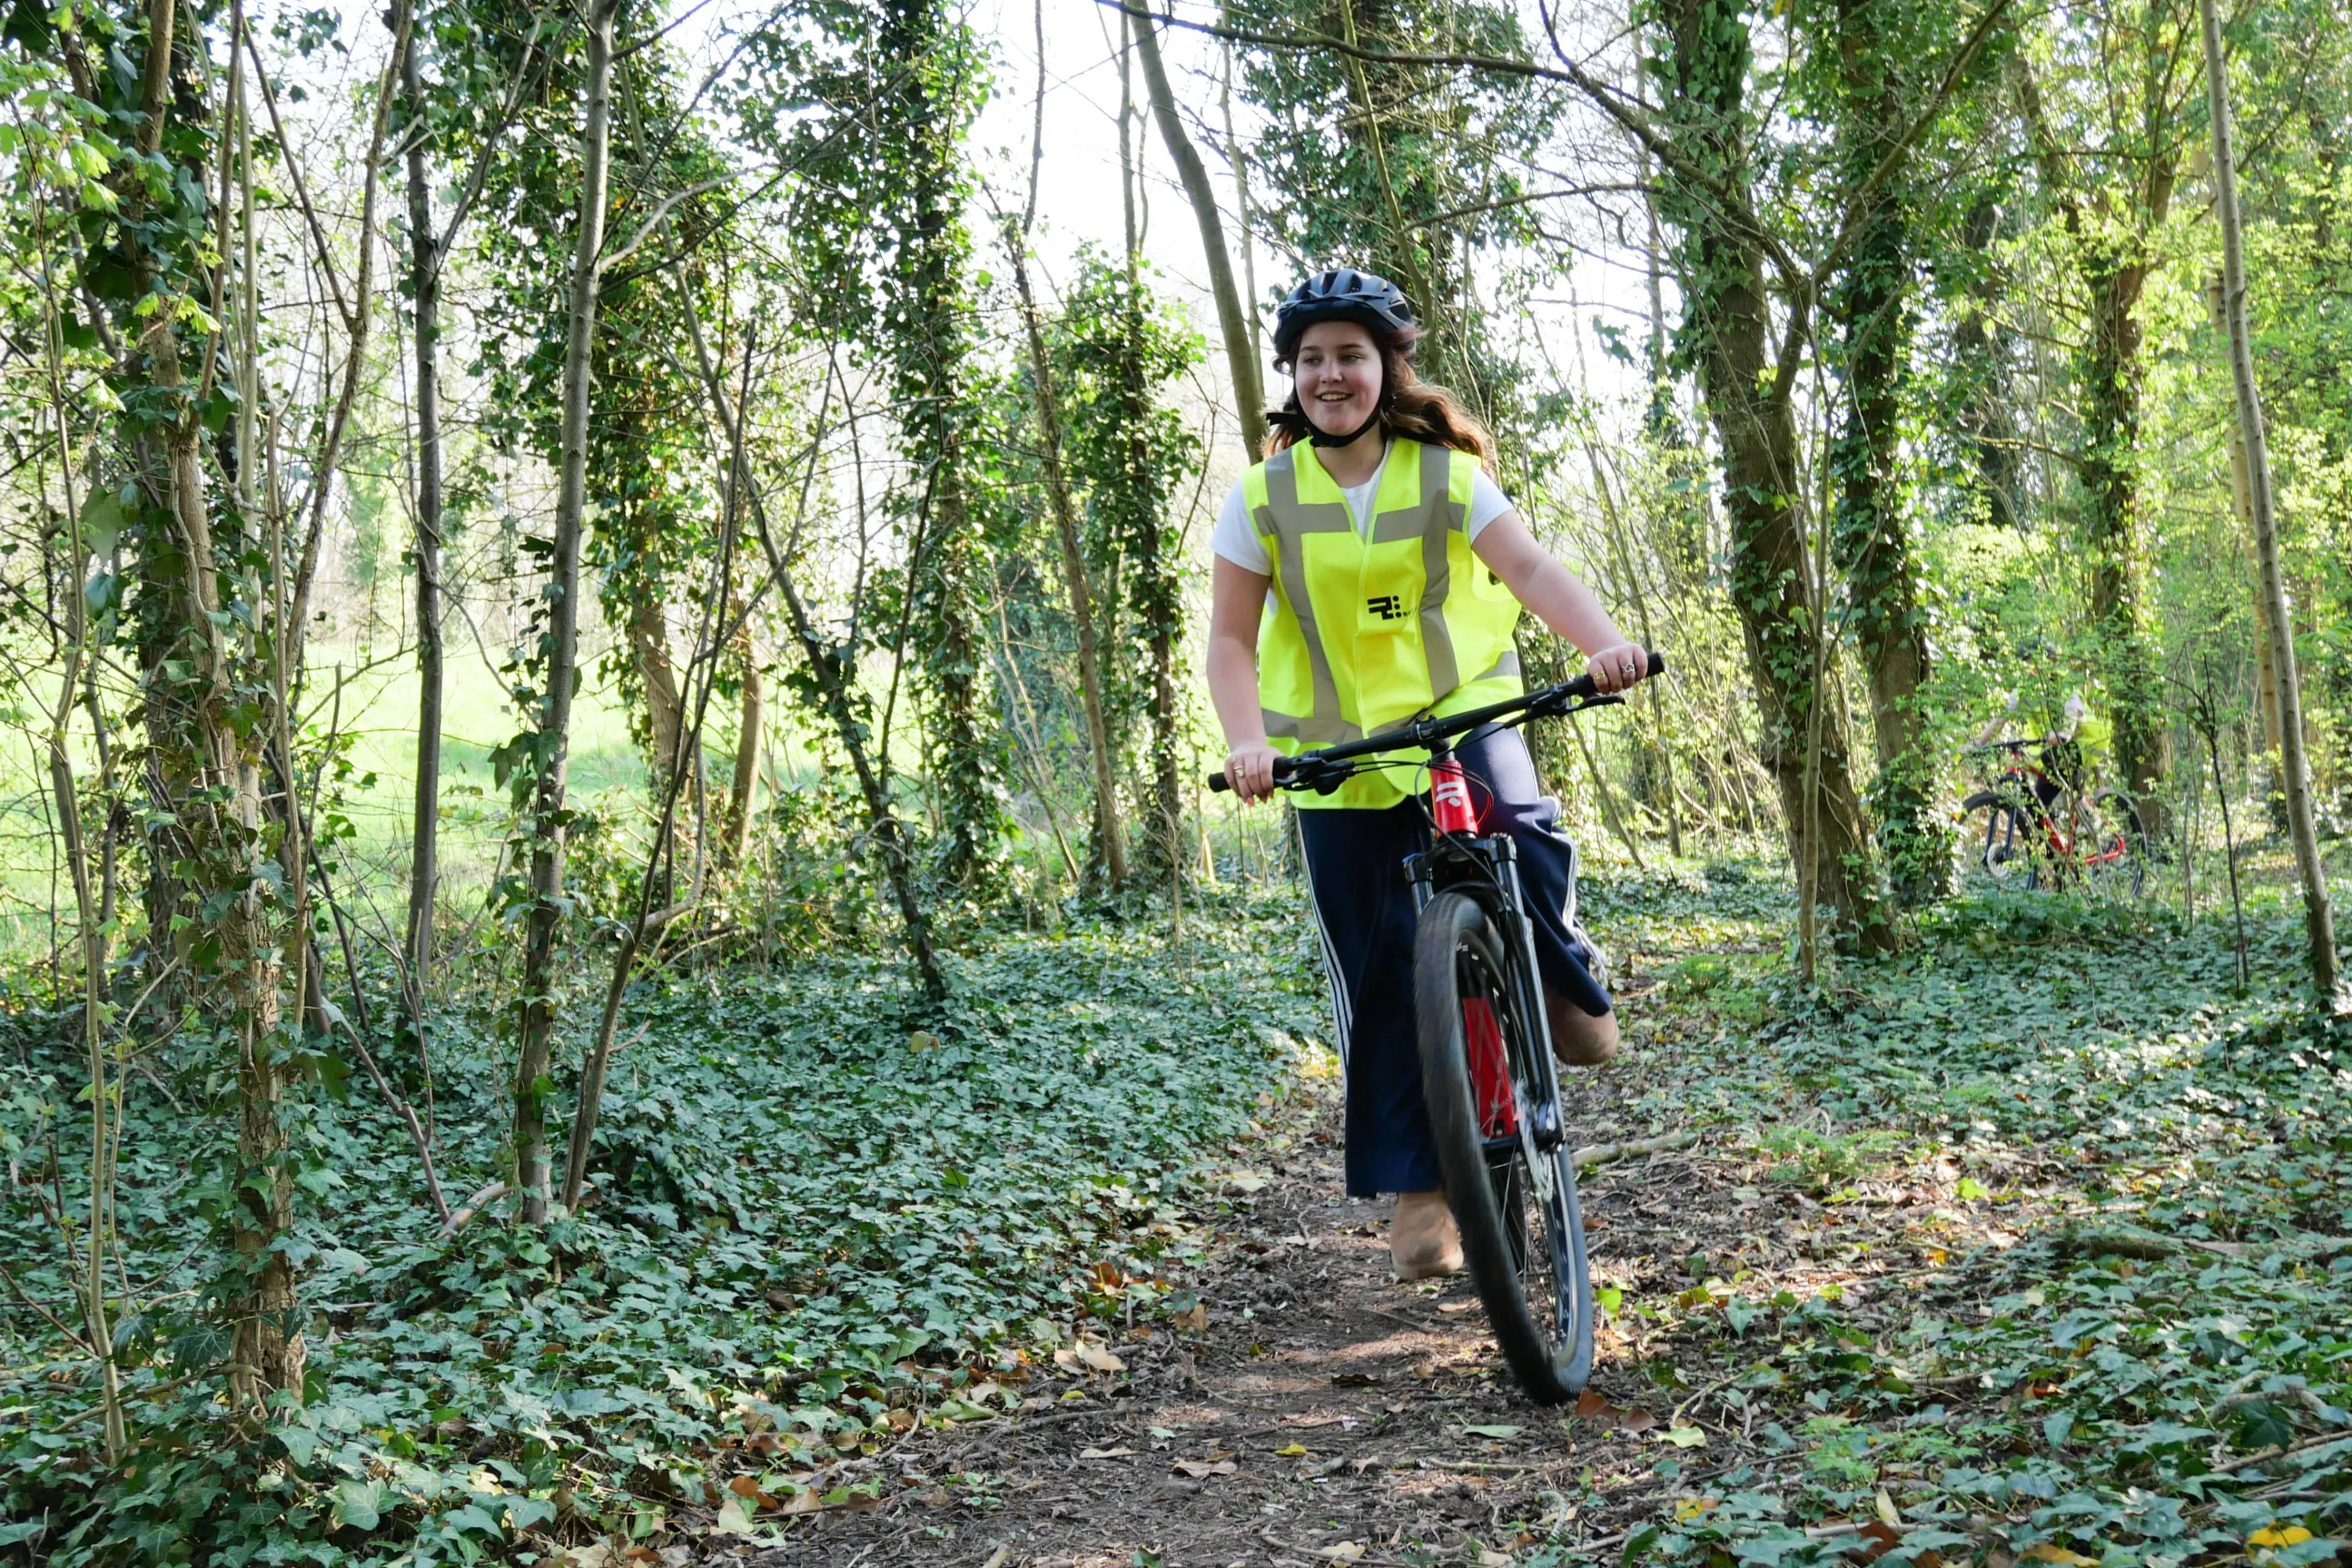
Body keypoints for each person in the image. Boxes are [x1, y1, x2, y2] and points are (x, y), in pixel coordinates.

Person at [1206, 268, 1652, 1282]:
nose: (1332, 376)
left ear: (1387, 368)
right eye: (1312, 359)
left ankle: (1559, 974)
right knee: (1381, 968)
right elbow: (1230, 641)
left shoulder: (1444, 475)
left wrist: (1605, 644)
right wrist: (1246, 741)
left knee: (1524, 839)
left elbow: (1529, 570)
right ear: (1292, 378)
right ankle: (1422, 1183)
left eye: (1351, 357)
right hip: (1336, 763)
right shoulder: (1262, 500)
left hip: (1460, 720)